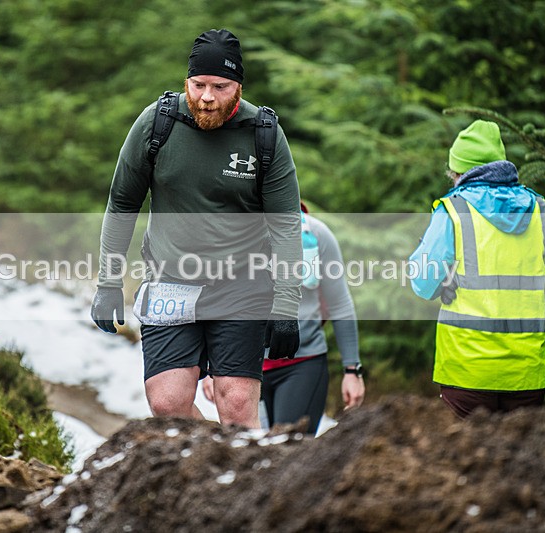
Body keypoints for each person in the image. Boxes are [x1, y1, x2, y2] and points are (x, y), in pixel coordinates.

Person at [91, 29, 302, 429]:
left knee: (238, 404)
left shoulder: (264, 135)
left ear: (238, 86)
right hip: (170, 280)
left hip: (243, 283)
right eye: (198, 84)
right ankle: (214, 467)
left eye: (220, 86)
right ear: (186, 81)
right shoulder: (158, 124)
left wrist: (287, 307)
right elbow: (122, 204)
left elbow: (286, 227)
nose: (207, 97)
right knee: (168, 404)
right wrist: (108, 283)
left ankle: (244, 481)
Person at [409, 120, 545, 419]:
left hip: (465, 369)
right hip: (525, 371)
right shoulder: (539, 210)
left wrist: (442, 276)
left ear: (459, 173)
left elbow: (422, 283)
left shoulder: (453, 211)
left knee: (466, 462)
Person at [203, 203, 365, 434]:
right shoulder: (229, 233)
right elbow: (215, 303)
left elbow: (340, 304)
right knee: (248, 456)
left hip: (302, 365)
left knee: (290, 455)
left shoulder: (316, 235)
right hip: (239, 366)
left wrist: (352, 371)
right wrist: (211, 368)